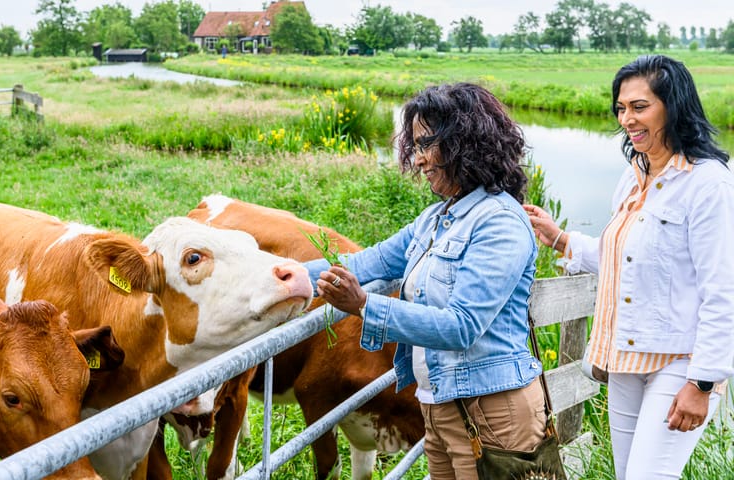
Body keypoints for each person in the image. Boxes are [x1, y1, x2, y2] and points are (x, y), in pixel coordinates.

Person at [305, 82, 546, 479]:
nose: (417, 160)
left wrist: (363, 305)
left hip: (491, 411)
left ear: (466, 142)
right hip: (437, 405)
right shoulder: (435, 219)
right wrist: (285, 277)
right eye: (414, 147)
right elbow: (372, 260)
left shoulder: (500, 222)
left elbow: (461, 326)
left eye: (426, 145)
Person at [525, 54, 734, 479]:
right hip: (626, 358)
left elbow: (723, 289)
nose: (626, 120)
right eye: (621, 108)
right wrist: (562, 239)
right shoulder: (633, 175)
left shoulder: (708, 183)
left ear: (673, 107)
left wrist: (703, 382)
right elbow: (627, 261)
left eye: (640, 107)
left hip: (679, 362)